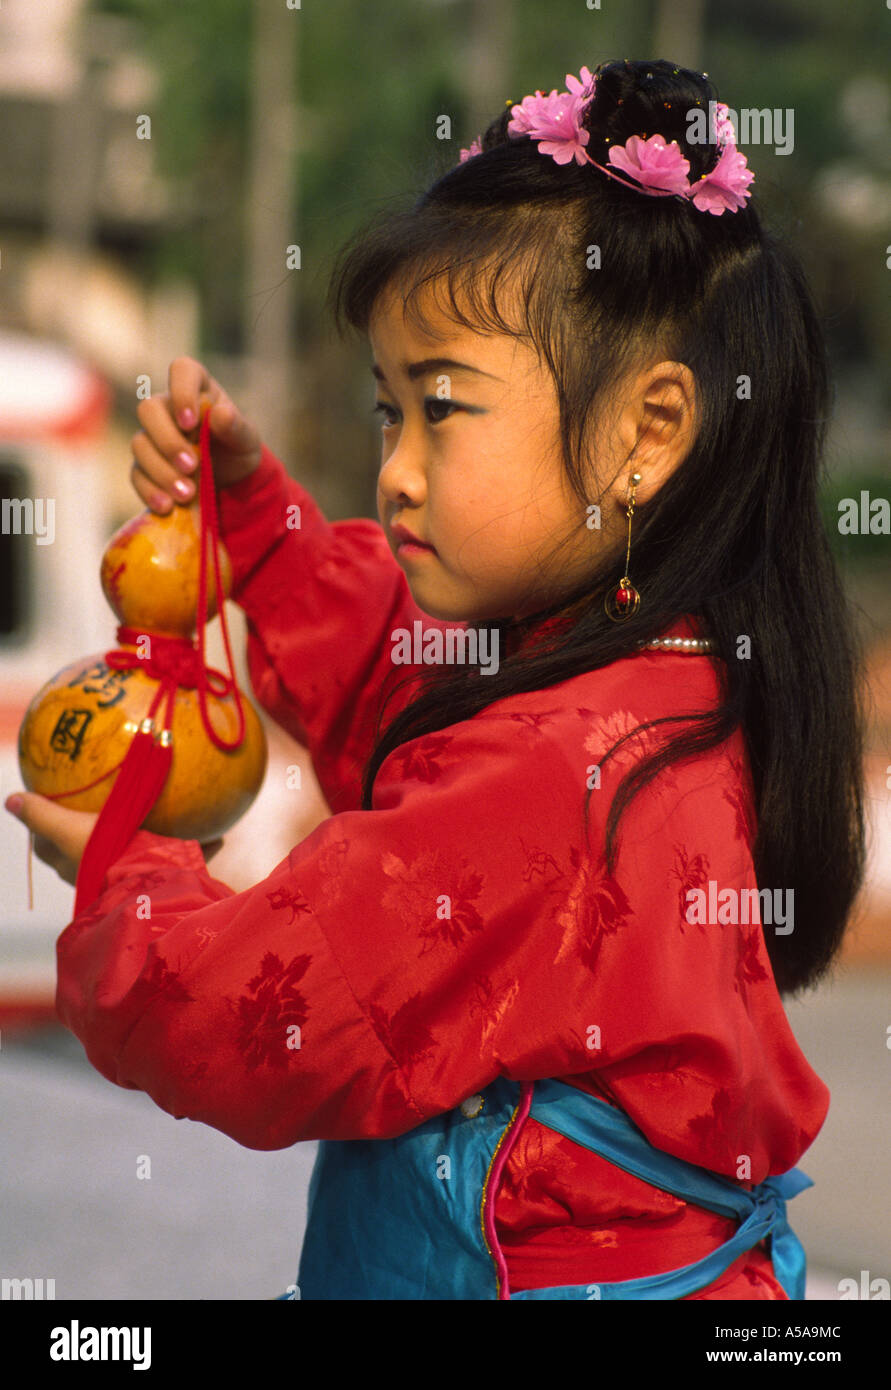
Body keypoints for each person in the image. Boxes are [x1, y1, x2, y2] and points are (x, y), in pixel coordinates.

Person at [5, 57, 866, 1300]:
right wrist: (258, 529)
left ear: (649, 433)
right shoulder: (652, 682)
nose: (397, 469)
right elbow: (419, 708)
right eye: (386, 412)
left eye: (442, 409)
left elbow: (258, 1015)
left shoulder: (550, 769)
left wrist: (125, 872)